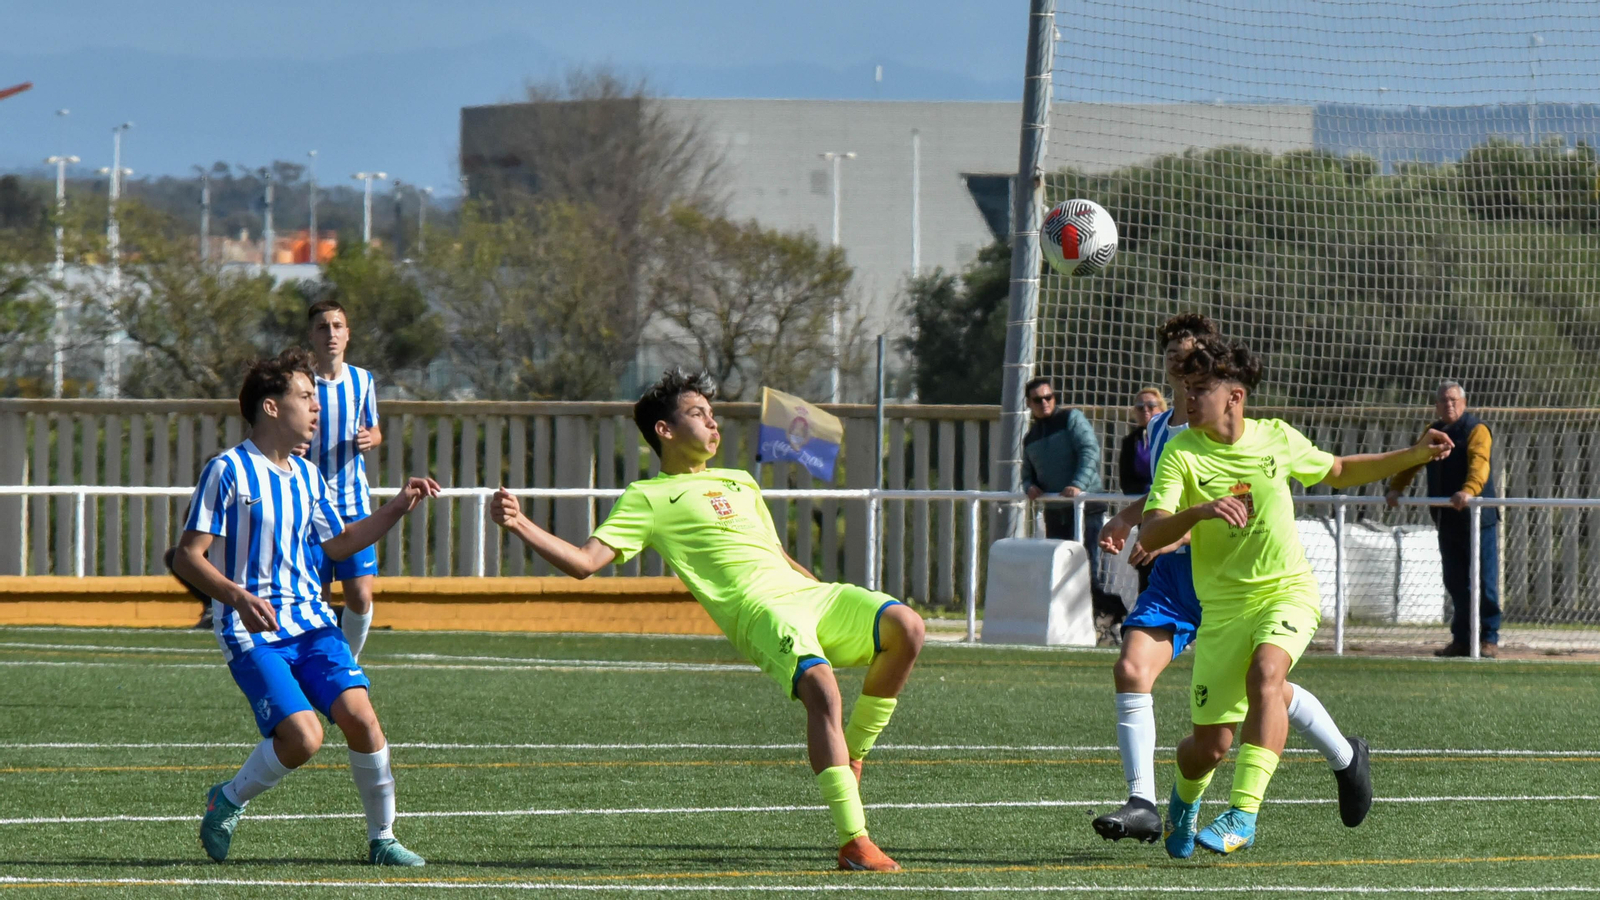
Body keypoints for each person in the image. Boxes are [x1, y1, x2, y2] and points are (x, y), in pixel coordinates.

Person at [489, 368, 924, 873]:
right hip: (760, 611)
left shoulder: (740, 481)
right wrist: (519, 523)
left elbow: (778, 555)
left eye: (713, 416)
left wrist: (818, 588)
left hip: (810, 594)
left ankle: (853, 753)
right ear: (665, 431)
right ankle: (855, 841)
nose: (713, 425)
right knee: (822, 691)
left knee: (908, 627)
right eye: (699, 415)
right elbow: (585, 563)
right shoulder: (647, 499)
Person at [1139, 336, 1452, 857]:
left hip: (1288, 592)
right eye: (1186, 389)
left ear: (1234, 396)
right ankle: (1185, 800)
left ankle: (1242, 815)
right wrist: (1199, 512)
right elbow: (1151, 535)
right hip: (1222, 611)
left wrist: (1415, 453)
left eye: (1199, 390)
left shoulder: (1275, 438)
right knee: (1208, 747)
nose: (1188, 400)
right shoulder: (1180, 451)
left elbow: (1340, 471)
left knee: (1267, 675)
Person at [1092, 315, 1371, 846]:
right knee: (1133, 671)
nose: (1180, 356)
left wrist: (1181, 529)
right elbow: (1167, 499)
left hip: (1237, 579)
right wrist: (1135, 521)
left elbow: (1236, 506)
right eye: (1172, 349)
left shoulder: (1239, 427)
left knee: (1265, 685)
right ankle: (1144, 803)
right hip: (1180, 582)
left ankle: (1338, 759)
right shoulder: (1162, 429)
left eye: (1191, 349)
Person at [171, 348, 440, 866]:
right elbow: (188, 556)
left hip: (312, 623)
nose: (317, 409)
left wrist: (398, 505)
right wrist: (237, 596)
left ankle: (382, 840)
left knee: (363, 720)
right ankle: (227, 798)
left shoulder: (308, 477)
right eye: (305, 397)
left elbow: (338, 545)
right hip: (252, 630)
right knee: (304, 737)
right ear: (271, 407)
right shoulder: (227, 471)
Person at [1385, 381, 1501, 659]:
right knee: (1455, 581)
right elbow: (1413, 458)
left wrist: (1469, 490)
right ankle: (1462, 639)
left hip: (1476, 518)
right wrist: (1396, 486)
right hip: (1446, 518)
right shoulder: (1433, 432)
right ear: (1436, 406)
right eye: (1443, 401)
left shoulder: (1477, 429)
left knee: (1484, 581)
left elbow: (1479, 462)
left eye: (1453, 400)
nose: (1448, 405)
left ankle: (1489, 638)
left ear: (1464, 402)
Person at [302, 299, 384, 659]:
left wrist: (371, 438)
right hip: (309, 508)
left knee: (360, 596)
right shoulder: (302, 383)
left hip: (353, 507)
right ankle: (317, 664)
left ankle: (347, 663)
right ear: (312, 335)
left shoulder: (362, 380)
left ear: (347, 335)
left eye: (337, 326)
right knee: (316, 598)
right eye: (323, 327)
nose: (330, 334)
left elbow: (375, 429)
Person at [1021, 377, 1117, 630]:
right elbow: (1026, 472)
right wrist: (1029, 486)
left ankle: (1114, 616)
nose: (1044, 403)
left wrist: (1078, 484)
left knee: (1087, 570)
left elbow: (1090, 451)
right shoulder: (1030, 437)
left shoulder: (1071, 419)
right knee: (1062, 572)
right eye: (1037, 399)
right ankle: (1075, 626)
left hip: (1086, 509)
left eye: (1048, 397)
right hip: (1055, 513)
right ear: (1029, 403)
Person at [1119, 387, 1166, 498]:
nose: (1145, 410)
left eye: (1151, 406)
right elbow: (1126, 483)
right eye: (1140, 407)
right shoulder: (1130, 441)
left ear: (1161, 409)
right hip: (1142, 500)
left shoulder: (1172, 434)